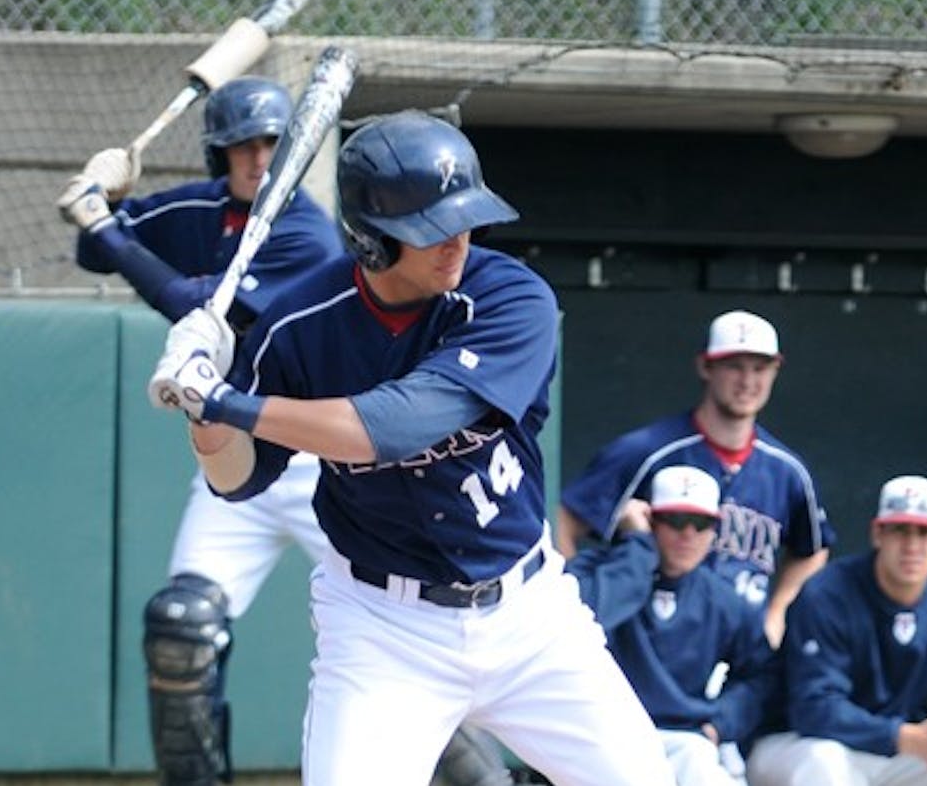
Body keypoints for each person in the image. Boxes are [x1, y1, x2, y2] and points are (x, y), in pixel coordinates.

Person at [148, 111, 676, 785]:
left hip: (529, 618)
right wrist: (203, 414)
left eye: (466, 218)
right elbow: (237, 481)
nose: (457, 240)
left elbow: (393, 426)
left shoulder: (510, 297)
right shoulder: (298, 325)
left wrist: (227, 400)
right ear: (371, 240)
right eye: (431, 229)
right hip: (382, 629)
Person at [59, 81, 512, 786]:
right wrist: (103, 199)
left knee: (410, 644)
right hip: (238, 455)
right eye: (244, 145)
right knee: (181, 626)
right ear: (219, 153)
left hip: (331, 457)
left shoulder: (303, 229)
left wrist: (108, 233)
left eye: (272, 143)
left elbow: (202, 305)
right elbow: (98, 252)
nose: (259, 158)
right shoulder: (196, 211)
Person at [556, 309, 833, 646]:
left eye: (760, 368)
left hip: (739, 645)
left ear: (776, 370)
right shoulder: (646, 451)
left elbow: (813, 549)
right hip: (649, 643)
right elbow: (564, 520)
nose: (748, 381)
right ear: (706, 367)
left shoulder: (788, 470)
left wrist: (777, 611)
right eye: (734, 366)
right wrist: (570, 607)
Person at [745, 475, 927, 786]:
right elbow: (814, 710)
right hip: (798, 746)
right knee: (823, 761)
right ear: (878, 534)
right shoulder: (827, 593)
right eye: (900, 530)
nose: (911, 546)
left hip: (900, 752)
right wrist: (906, 737)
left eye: (924, 532)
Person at [568, 464, 779, 786]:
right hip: (597, 735)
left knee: (700, 765)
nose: (688, 534)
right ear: (648, 519)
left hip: (684, 738)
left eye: (701, 523)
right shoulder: (596, 573)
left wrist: (718, 725)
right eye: (675, 520)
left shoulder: (722, 599)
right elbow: (585, 619)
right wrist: (637, 547)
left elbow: (761, 675)